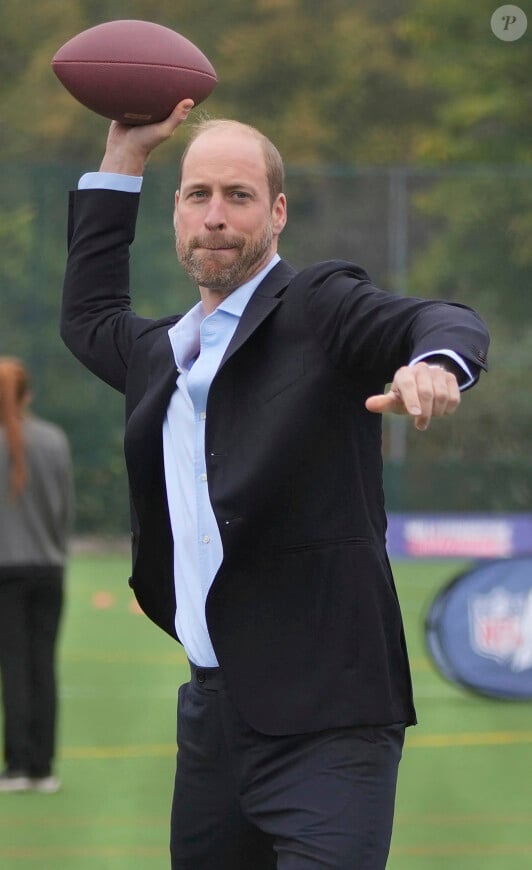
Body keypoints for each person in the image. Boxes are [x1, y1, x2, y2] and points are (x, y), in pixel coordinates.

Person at [61, 101, 489, 869]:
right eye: (199, 196)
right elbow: (89, 314)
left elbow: (438, 318)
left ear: (278, 211)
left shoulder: (318, 308)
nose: (216, 216)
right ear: (177, 213)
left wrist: (435, 365)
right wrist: (123, 153)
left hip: (331, 723)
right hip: (213, 721)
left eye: (239, 195)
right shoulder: (161, 355)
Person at [0, 357, 74, 793]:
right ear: (29, 394)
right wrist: (56, 556)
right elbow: (64, 512)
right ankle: (43, 768)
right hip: (48, 571)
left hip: (0, 575)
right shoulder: (56, 441)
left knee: (14, 670)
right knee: (43, 669)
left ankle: (17, 764)